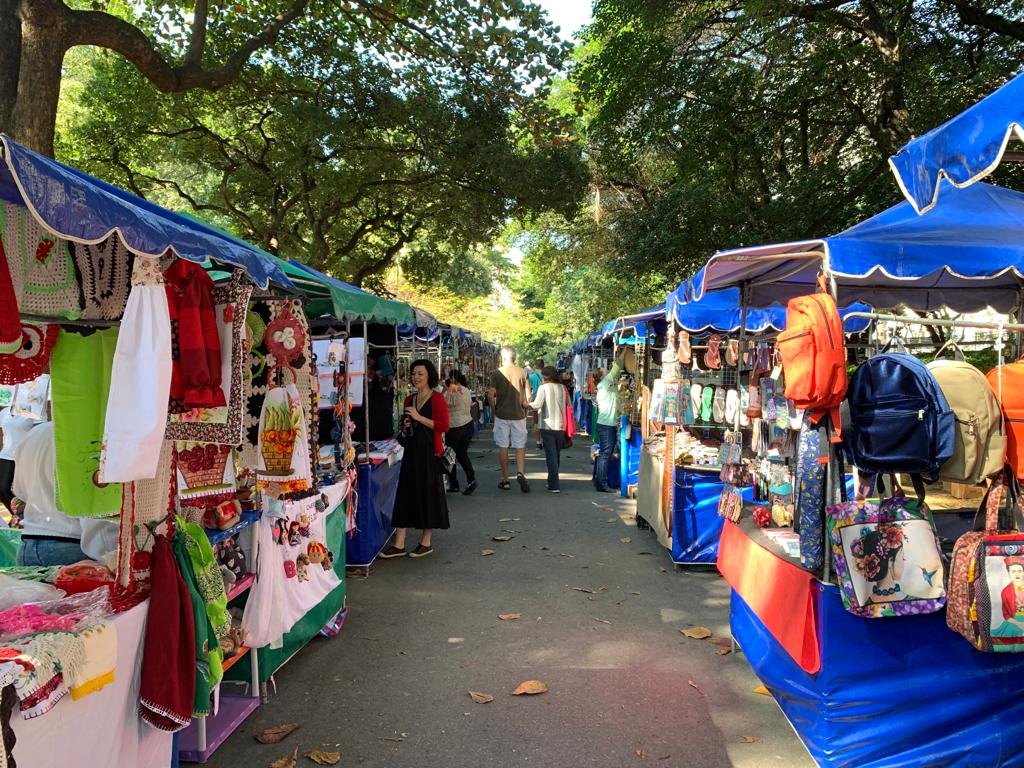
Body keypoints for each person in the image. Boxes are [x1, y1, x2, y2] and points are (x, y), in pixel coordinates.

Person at [14, 421, 118, 566]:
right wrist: (110, 557)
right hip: (70, 545)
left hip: (28, 545)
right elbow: (96, 508)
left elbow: (20, 490)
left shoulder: (35, 433)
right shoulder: (90, 436)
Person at [381, 359, 450, 559]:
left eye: (420, 373)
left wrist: (419, 417)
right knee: (405, 495)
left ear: (429, 375)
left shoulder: (437, 399)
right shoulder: (409, 400)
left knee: (428, 495)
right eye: (413, 373)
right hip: (411, 452)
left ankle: (425, 541)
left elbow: (444, 426)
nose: (416, 377)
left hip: (430, 454)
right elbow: (407, 425)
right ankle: (399, 543)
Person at [488, 347, 531, 492]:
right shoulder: (523, 372)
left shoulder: (496, 373)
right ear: (515, 357)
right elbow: (528, 397)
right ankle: (520, 472)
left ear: (503, 357)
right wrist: (525, 409)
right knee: (520, 446)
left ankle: (506, 480)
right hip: (519, 414)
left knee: (503, 446)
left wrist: (495, 410)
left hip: (502, 415)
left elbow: (490, 395)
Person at [529, 366, 567, 493]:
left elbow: (537, 405)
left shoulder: (543, 388)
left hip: (547, 425)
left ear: (545, 377)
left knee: (551, 455)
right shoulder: (563, 388)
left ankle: (554, 485)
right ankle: (552, 481)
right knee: (556, 454)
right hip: (561, 425)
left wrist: (526, 404)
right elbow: (569, 405)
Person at [593, 351, 623, 493]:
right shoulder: (605, 384)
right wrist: (624, 352)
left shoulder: (606, 386)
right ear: (602, 375)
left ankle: (600, 481)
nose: (605, 368)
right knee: (606, 453)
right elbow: (616, 368)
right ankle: (602, 483)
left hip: (606, 424)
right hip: (606, 425)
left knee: (605, 453)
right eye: (603, 369)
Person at [0, 404, 39, 511]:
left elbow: (39, 429)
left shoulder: (33, 410)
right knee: (2, 488)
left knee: (24, 491)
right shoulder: (5, 412)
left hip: (25, 455)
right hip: (6, 455)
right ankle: (17, 515)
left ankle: (28, 513)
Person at [444, 370, 477, 495]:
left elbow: (444, 403)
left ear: (452, 378)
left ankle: (454, 484)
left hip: (454, 426)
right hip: (468, 424)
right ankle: (471, 479)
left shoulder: (451, 390)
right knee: (462, 454)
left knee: (450, 456)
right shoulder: (466, 389)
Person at [529, 358, 544, 449]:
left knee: (536, 422)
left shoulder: (532, 376)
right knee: (546, 421)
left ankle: (538, 442)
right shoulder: (546, 376)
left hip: (535, 401)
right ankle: (546, 441)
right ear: (543, 365)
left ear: (535, 366)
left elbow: (529, 390)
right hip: (545, 401)